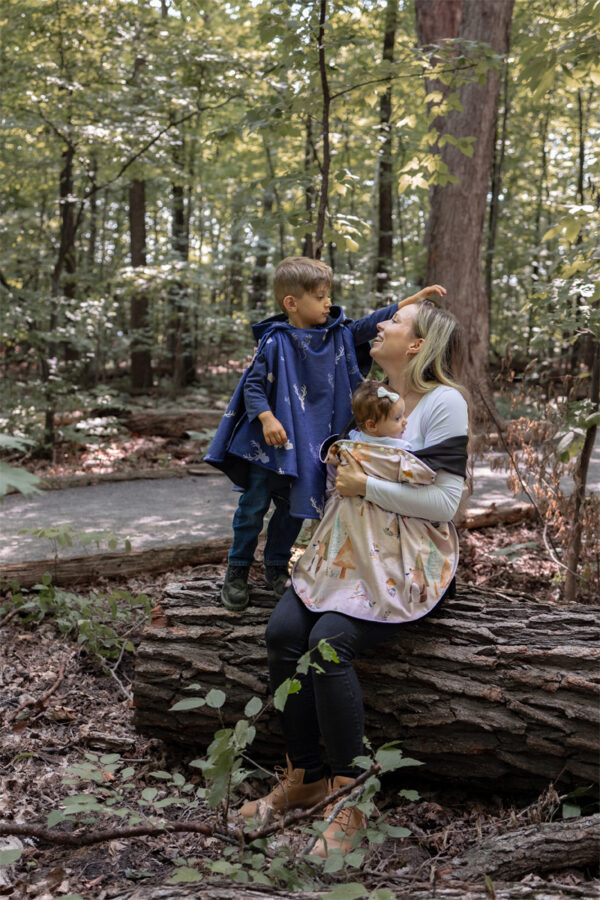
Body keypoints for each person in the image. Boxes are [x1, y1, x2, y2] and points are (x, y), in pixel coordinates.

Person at [238, 298, 469, 858]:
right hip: (346, 552)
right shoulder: (371, 394)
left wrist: (366, 487)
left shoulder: (444, 403)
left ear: (416, 345)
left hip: (408, 560)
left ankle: (351, 796)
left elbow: (446, 503)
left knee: (327, 643)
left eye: (394, 322)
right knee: (282, 634)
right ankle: (305, 777)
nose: (381, 323)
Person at [205, 255, 445, 611]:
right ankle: (237, 570)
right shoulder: (275, 341)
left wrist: (411, 301)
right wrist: (268, 418)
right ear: (292, 303)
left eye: (327, 295)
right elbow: (253, 386)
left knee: (292, 510)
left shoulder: (337, 335)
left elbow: (369, 325)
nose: (328, 302)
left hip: (309, 445)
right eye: (319, 297)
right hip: (271, 444)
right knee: (253, 506)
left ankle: (275, 568)